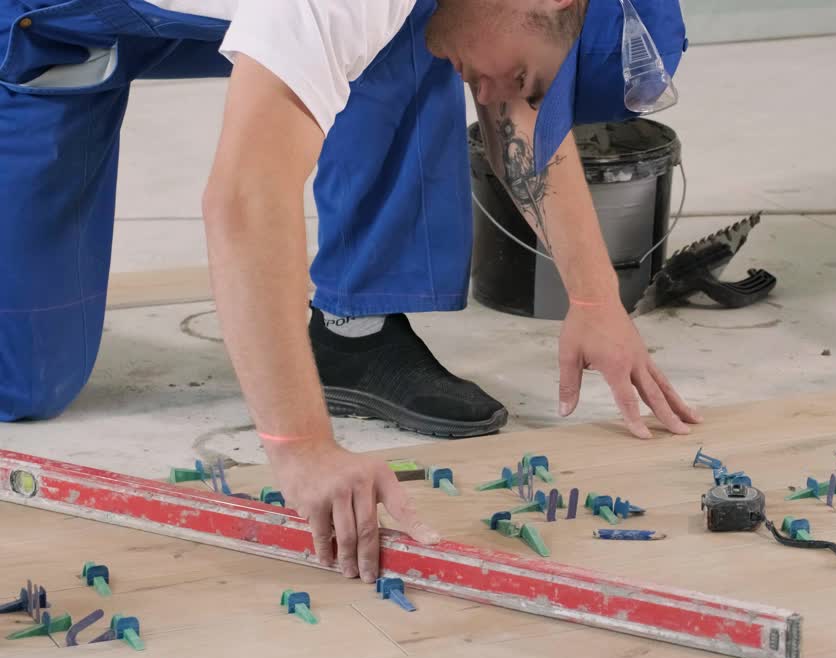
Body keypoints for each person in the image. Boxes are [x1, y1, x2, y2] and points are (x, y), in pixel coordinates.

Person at [0, 0, 699, 580]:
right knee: (26, 385)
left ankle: (351, 330)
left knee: (426, 33)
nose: (492, 97)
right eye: (523, 75)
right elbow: (245, 199)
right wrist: (299, 445)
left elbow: (512, 103)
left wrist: (593, 300)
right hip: (43, 29)